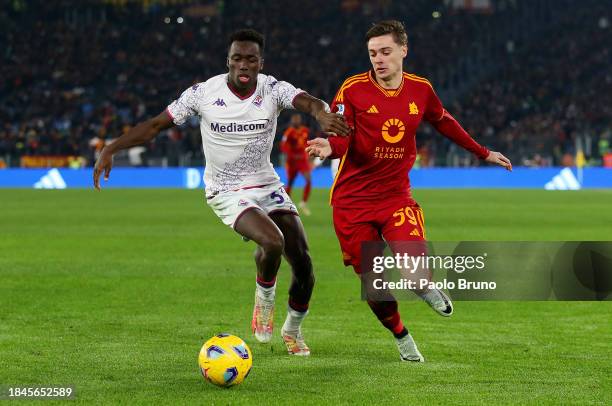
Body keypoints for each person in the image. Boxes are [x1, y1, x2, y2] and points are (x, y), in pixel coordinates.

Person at [93, 29, 350, 356]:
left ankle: (293, 329)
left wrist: (322, 113)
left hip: (266, 183)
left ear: (260, 63)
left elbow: (309, 103)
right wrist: (112, 147)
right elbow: (157, 125)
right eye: (237, 58)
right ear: (227, 61)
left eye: (251, 59)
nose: (244, 65)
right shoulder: (202, 93)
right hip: (225, 189)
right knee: (272, 242)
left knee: (304, 266)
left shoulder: (272, 89)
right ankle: (264, 301)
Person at [306, 20, 512, 362]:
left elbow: (443, 120)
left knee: (415, 274)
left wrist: (483, 152)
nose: (379, 59)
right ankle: (400, 335)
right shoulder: (352, 89)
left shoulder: (421, 89)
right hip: (352, 203)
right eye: (373, 53)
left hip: (395, 197)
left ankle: (424, 285)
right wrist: (330, 147)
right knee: (374, 284)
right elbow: (342, 133)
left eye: (386, 52)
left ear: (404, 50)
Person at [280, 113, 313, 215]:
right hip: (292, 161)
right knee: (290, 182)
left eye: (297, 119)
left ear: (300, 120)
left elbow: (308, 142)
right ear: (292, 121)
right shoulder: (288, 132)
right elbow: (283, 146)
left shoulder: (305, 130)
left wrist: (309, 154)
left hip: (302, 160)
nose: (296, 121)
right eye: (294, 120)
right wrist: (291, 155)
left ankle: (303, 203)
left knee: (308, 180)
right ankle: (286, 204)